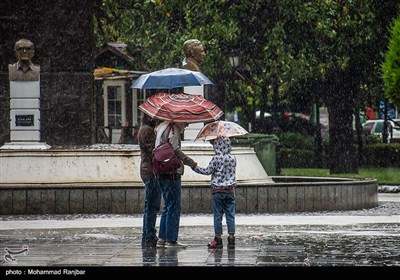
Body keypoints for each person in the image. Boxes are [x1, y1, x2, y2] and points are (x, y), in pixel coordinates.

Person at [155, 121, 197, 249]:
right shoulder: (174, 129)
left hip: (162, 171)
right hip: (171, 172)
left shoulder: (162, 128)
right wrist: (190, 162)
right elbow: (175, 149)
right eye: (185, 121)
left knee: (167, 206)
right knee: (174, 206)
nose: (187, 124)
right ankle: (171, 240)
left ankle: (162, 238)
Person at [192, 136, 237, 249]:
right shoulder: (233, 158)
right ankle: (231, 238)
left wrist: (195, 167)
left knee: (218, 215)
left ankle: (218, 239)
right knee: (230, 215)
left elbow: (207, 171)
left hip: (218, 191)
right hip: (231, 191)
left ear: (217, 146)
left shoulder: (216, 159)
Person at [138, 113, 161, 247]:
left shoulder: (145, 129)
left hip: (148, 170)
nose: (157, 119)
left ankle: (147, 234)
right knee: (152, 206)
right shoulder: (147, 130)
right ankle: (149, 235)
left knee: (150, 206)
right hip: (151, 172)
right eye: (155, 117)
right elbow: (154, 150)